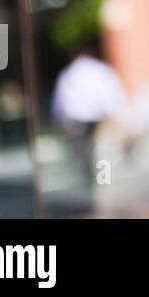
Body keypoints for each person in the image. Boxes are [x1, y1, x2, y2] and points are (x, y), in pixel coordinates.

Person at [50, 39, 127, 188]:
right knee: (97, 147)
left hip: (79, 117)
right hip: (98, 115)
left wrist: (60, 120)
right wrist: (117, 114)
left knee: (84, 148)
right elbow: (111, 93)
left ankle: (92, 177)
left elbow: (62, 100)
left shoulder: (69, 73)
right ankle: (101, 178)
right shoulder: (99, 69)